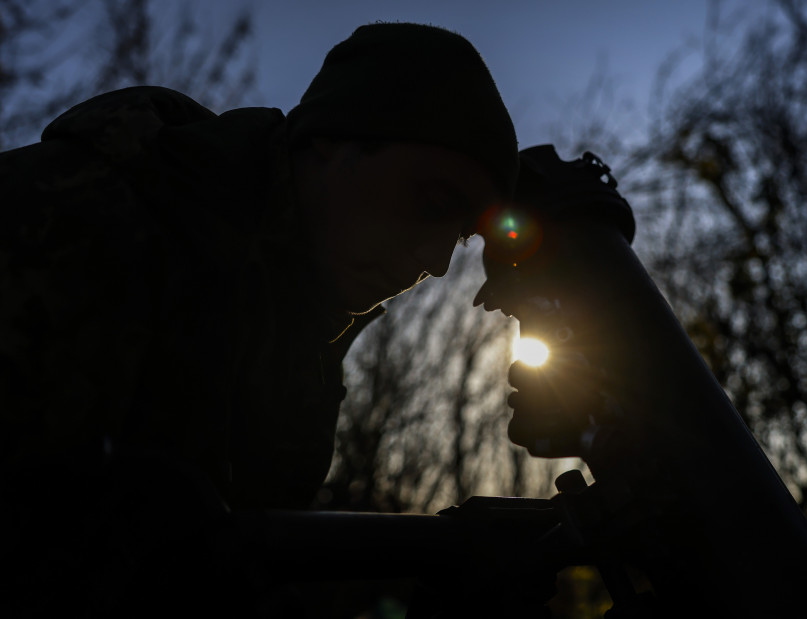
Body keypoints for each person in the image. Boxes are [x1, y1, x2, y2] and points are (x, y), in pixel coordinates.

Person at [0, 22, 518, 615]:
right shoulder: (70, 221)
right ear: (329, 139)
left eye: (458, 236)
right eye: (430, 204)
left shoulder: (297, 329)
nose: (435, 262)